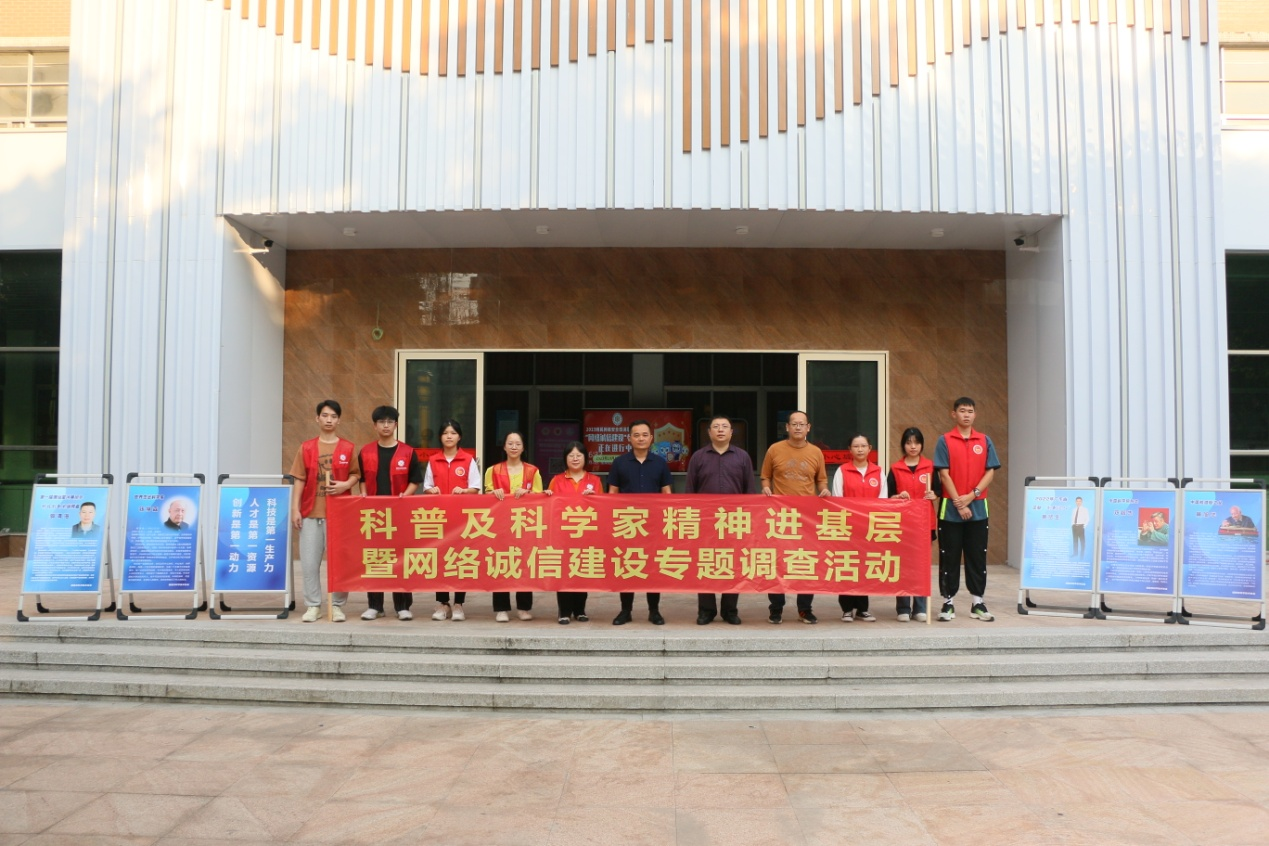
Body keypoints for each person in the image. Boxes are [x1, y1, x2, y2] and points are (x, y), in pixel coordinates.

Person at [289, 399, 360, 623]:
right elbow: (299, 479)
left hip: (339, 515)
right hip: (311, 513)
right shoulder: (307, 447)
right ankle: (313, 605)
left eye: (333, 416)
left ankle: (337, 605)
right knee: (309, 564)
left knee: (340, 563)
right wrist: (295, 508)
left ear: (339, 420)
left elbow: (356, 474)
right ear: (317, 418)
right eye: (325, 415)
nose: (329, 420)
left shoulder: (348, 448)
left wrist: (345, 485)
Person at [933, 396, 1001, 622]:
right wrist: (959, 503)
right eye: (962, 411)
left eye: (970, 411)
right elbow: (944, 474)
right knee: (949, 556)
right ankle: (948, 603)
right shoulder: (944, 440)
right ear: (954, 414)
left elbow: (990, 472)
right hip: (950, 511)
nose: (966, 415)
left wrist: (972, 496)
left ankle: (977, 602)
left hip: (978, 509)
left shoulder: (984, 440)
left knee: (977, 556)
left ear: (975, 415)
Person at [760, 410, 830, 624]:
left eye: (802, 424)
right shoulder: (774, 449)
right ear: (787, 427)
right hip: (779, 517)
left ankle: (805, 609)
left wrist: (824, 491)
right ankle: (776, 608)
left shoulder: (816, 452)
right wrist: (765, 488)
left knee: (806, 561)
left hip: (806, 517)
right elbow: (765, 476)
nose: (798, 427)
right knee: (777, 562)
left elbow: (821, 480)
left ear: (808, 427)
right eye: (794, 424)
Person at [685, 416, 755, 625]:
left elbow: (749, 491)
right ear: (709, 432)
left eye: (725, 427)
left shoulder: (742, 457)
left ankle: (729, 610)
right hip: (705, 521)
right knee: (705, 563)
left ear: (732, 432)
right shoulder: (698, 457)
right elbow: (690, 491)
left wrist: (748, 519)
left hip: (734, 521)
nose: (720, 430)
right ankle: (706, 610)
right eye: (716, 427)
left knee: (732, 565)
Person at [357, 405, 422, 621]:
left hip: (400, 515)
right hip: (374, 515)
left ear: (396, 425)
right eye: (381, 422)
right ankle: (375, 605)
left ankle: (402, 606)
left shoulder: (408, 452)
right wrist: (364, 495)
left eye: (390, 422)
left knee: (400, 559)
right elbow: (362, 479)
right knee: (375, 558)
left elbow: (415, 480)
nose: (386, 425)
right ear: (375, 426)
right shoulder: (365, 452)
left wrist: (405, 496)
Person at [606, 419, 673, 625]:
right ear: (629, 438)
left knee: (652, 567)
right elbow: (613, 492)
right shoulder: (619, 463)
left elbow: (667, 493)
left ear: (651, 438)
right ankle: (625, 611)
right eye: (636, 435)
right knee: (627, 565)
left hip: (653, 525)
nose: (641, 438)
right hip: (627, 523)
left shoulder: (660, 463)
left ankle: (654, 611)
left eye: (645, 435)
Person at [422, 419, 481, 621]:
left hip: (461, 519)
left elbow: (476, 487)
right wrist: (431, 490)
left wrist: (464, 490)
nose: (449, 436)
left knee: (461, 558)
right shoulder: (433, 460)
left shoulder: (468, 460)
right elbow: (427, 486)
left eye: (453, 433)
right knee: (440, 560)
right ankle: (442, 603)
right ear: (440, 436)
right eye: (446, 433)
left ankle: (458, 604)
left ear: (459, 436)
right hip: (439, 518)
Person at [484, 431, 541, 622]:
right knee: (500, 563)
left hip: (524, 524)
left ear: (523, 447)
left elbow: (540, 497)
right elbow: (485, 497)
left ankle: (523, 607)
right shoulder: (493, 470)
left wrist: (528, 493)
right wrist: (494, 493)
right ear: (504, 447)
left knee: (524, 564)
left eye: (518, 443)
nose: (514, 447)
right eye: (510, 443)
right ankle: (501, 608)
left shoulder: (533, 471)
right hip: (500, 525)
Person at [545, 440, 602, 624]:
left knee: (581, 570)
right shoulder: (557, 480)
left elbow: (603, 507)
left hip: (586, 533)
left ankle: (580, 610)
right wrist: (547, 496)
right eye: (571, 455)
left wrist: (595, 499)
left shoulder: (594, 480)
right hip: (562, 534)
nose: (575, 459)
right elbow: (549, 507)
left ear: (585, 458)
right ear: (565, 459)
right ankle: (564, 611)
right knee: (563, 572)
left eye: (579, 455)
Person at [887, 427, 938, 622]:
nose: (913, 446)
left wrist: (934, 494)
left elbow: (939, 490)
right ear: (903, 445)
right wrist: (897, 497)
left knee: (921, 565)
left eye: (916, 442)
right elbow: (888, 496)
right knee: (902, 565)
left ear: (922, 445)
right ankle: (902, 607)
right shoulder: (895, 468)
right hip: (902, 524)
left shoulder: (930, 467)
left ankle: (920, 607)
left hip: (924, 523)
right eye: (909, 443)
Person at [831, 434, 883, 622]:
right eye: (856, 446)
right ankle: (846, 608)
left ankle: (862, 608)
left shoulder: (878, 472)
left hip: (869, 528)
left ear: (870, 448)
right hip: (848, 527)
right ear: (850, 450)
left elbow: (883, 501)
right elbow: (837, 499)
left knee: (865, 566)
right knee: (847, 565)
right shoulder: (842, 471)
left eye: (863, 446)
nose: (860, 449)